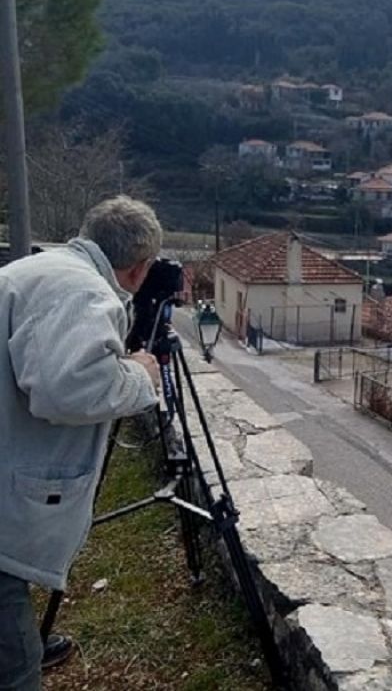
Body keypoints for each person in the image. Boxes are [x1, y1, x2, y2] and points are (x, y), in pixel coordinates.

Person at [0, 196, 163, 690]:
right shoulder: (83, 292)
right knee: (17, 671)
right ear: (138, 270)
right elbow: (67, 388)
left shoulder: (40, 269)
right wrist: (139, 376)